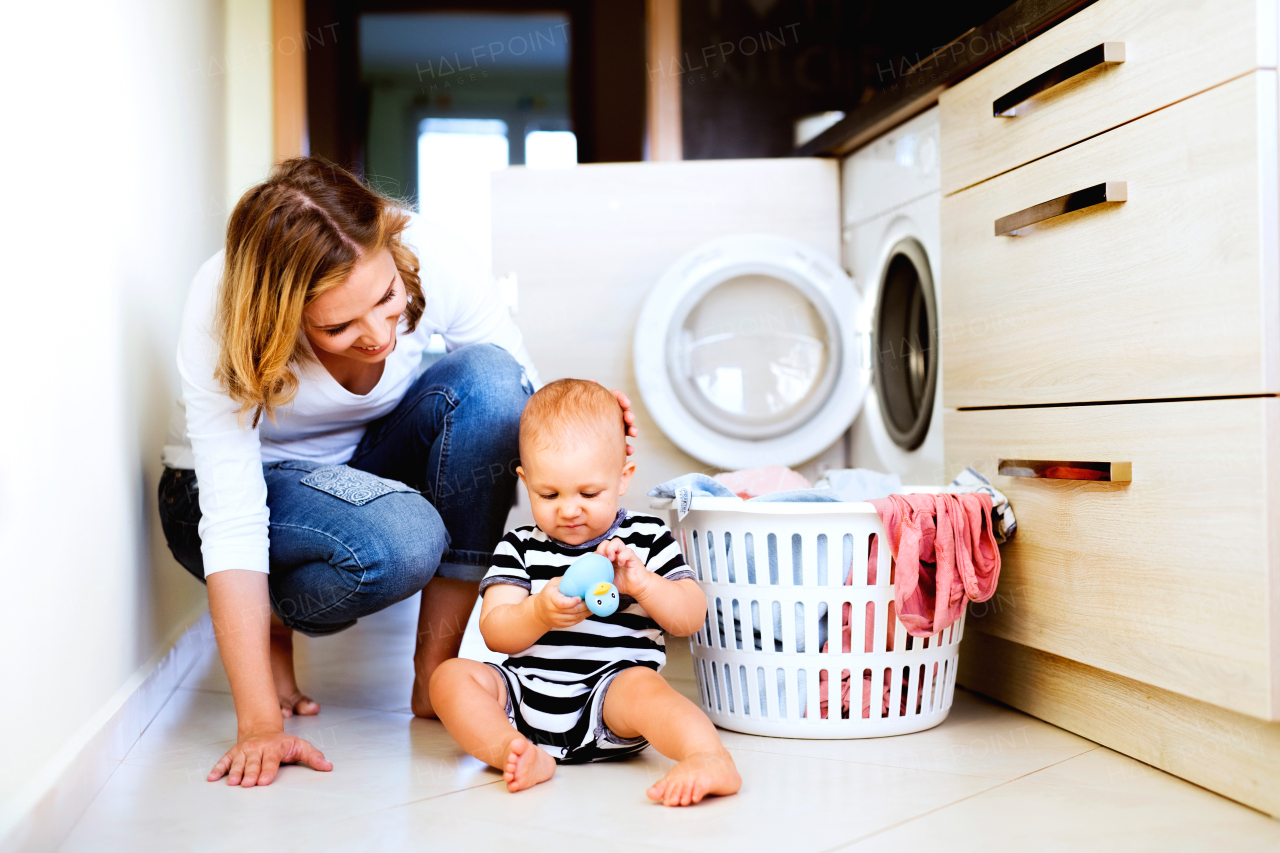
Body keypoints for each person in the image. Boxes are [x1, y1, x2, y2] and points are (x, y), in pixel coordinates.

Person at [157, 158, 638, 788]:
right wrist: (257, 725)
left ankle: (434, 677)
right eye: (338, 325)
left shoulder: (433, 255)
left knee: (492, 382)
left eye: (387, 299)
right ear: (281, 315)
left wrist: (590, 426)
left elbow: (520, 399)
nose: (379, 334)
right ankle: (273, 622)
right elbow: (234, 517)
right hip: (224, 494)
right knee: (406, 540)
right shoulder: (222, 307)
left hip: (363, 464)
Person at [429, 379, 741, 807]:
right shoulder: (519, 546)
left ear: (623, 477)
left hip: (611, 700)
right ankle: (512, 751)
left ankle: (708, 757)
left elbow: (689, 618)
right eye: (548, 493)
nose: (569, 508)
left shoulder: (645, 540)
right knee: (450, 678)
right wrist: (537, 613)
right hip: (523, 702)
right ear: (525, 480)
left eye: (589, 493)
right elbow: (496, 632)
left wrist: (643, 585)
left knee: (645, 690)